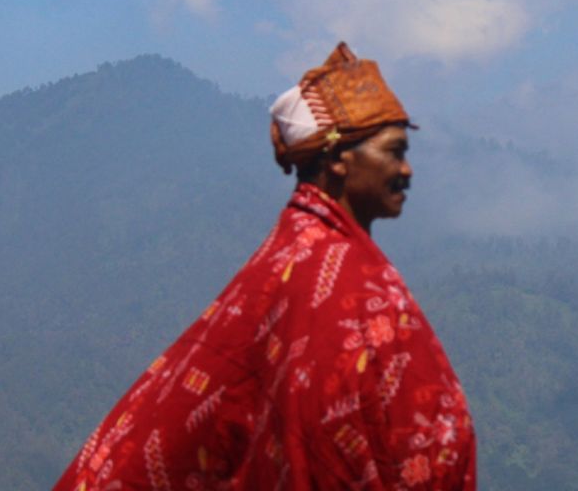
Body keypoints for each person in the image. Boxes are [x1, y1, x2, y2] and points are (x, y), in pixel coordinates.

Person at [53, 43, 476, 490]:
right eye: (393, 152)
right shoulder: (329, 280)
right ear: (337, 159)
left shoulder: (299, 256)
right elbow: (322, 433)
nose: (406, 170)